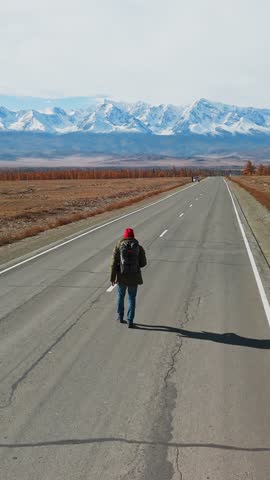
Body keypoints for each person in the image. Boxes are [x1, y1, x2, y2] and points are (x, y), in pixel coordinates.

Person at [110, 228, 147, 328]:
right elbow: (143, 263)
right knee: (132, 298)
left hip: (122, 277)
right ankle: (130, 320)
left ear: (124, 236)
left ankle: (120, 316)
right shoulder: (138, 247)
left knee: (120, 296)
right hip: (134, 277)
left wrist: (112, 278)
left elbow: (113, 264)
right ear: (133, 236)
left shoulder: (118, 247)